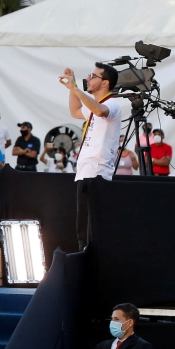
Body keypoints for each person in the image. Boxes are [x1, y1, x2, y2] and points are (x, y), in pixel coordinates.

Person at [61, 63, 121, 247]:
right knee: (83, 229)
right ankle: (84, 262)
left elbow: (99, 111)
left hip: (97, 171)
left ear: (105, 83)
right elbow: (76, 111)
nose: (89, 78)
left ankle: (90, 266)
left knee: (91, 230)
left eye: (93, 76)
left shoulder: (112, 104)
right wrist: (73, 88)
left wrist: (74, 88)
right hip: (86, 171)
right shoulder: (96, 104)